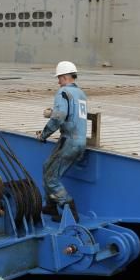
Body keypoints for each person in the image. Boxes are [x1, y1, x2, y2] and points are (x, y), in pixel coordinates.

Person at [37, 61, 88, 220]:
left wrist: (43, 135)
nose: (58, 82)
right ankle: (51, 206)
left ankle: (69, 211)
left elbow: (59, 117)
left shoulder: (63, 92)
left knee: (51, 177)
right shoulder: (80, 93)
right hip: (79, 141)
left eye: (59, 78)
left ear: (65, 77)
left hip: (69, 141)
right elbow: (71, 114)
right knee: (47, 167)